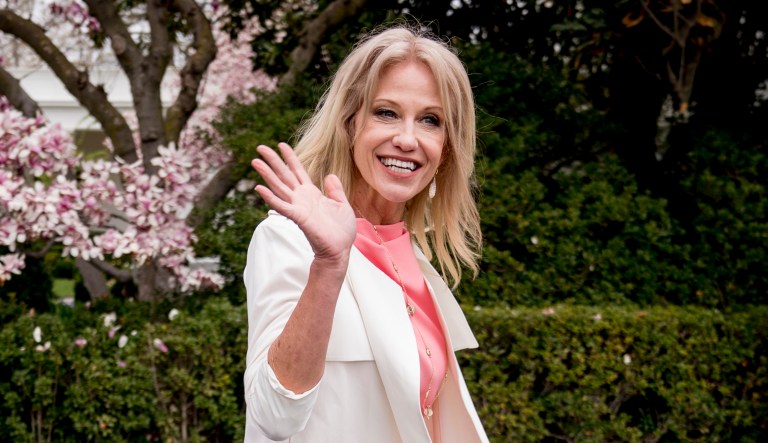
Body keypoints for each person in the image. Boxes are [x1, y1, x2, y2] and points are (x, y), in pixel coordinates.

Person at [243, 24, 488, 443]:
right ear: (350, 122)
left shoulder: (413, 250)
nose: (407, 139)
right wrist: (329, 264)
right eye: (386, 113)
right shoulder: (288, 239)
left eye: (430, 120)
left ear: (448, 145)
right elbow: (273, 415)